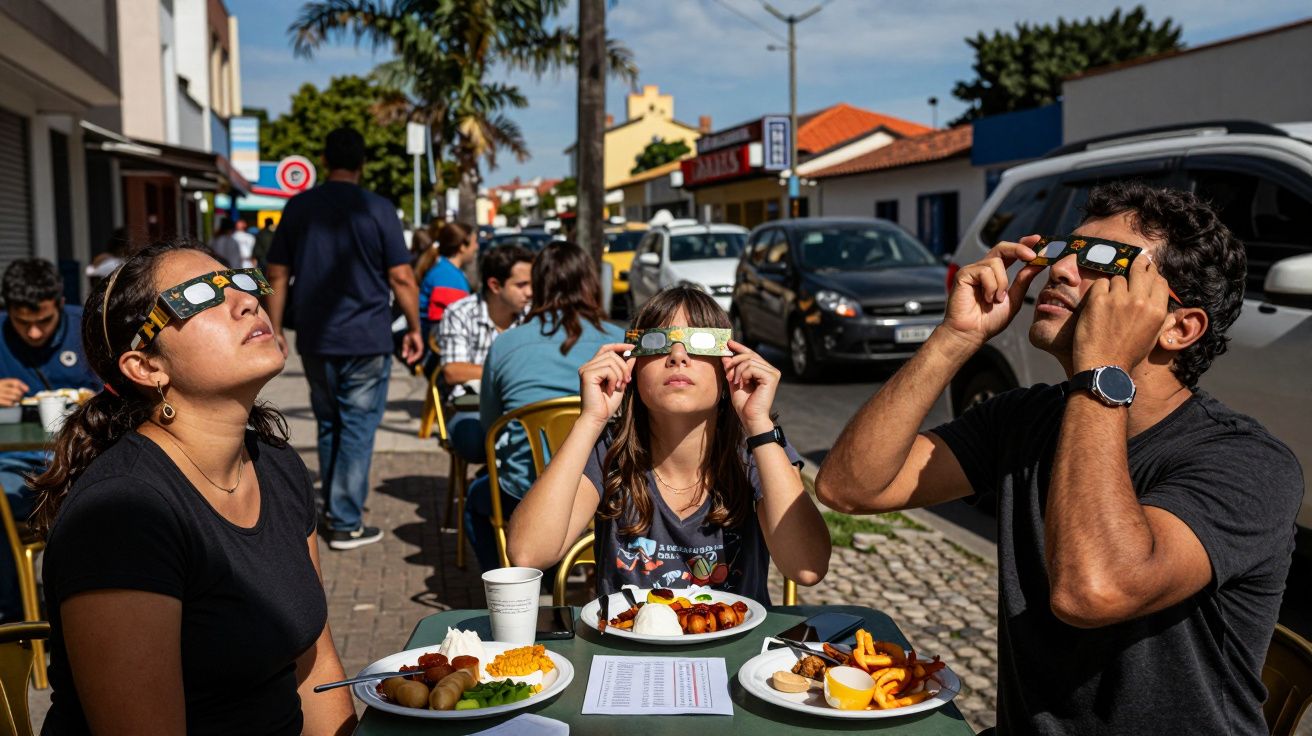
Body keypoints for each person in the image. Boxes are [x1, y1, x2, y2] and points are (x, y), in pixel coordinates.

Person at [815, 182, 1303, 735]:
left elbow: (1092, 590)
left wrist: (1099, 371)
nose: (1062, 272)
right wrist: (955, 337)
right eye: (1064, 251)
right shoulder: (1025, 419)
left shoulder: (1247, 462)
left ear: (1178, 327)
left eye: (1102, 262)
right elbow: (849, 488)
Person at [32, 242, 355, 735]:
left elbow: (316, 671)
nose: (246, 301)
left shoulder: (276, 464)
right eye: (201, 296)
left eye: (241, 281)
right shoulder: (123, 516)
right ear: (146, 367)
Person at [508, 286, 830, 599]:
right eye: (657, 343)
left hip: (736, 650)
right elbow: (527, 553)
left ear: (728, 366)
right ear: (631, 366)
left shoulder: (755, 450)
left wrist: (759, 424)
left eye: (700, 343)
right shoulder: (610, 449)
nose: (678, 355)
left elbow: (807, 568)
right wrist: (590, 420)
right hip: (626, 649)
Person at [265, 126, 422, 551]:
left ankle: (334, 511)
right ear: (362, 163)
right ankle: (347, 521)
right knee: (356, 427)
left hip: (316, 337)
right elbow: (402, 277)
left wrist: (274, 328)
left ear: (326, 159)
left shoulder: (299, 207)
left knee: (330, 422)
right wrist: (414, 327)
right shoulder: (379, 208)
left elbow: (277, 273)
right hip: (367, 337)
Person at [462, 242, 624, 571]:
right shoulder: (620, 342)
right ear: (591, 284)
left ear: (538, 286)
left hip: (525, 490)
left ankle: (513, 590)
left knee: (477, 502)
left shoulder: (506, 344)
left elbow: (490, 426)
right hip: (604, 490)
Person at [0, 259, 100, 623]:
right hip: (15, 465)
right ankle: (14, 622)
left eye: (43, 321)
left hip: (83, 458)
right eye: (23, 323)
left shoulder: (86, 328)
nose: (35, 333)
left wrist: (97, 399)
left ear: (59, 303)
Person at [437, 244, 534, 465]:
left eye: (532, 284)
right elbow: (452, 371)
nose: (530, 292)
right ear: (495, 285)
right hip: (470, 409)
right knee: (478, 442)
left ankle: (501, 488)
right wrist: (507, 373)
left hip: (521, 406)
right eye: (522, 285)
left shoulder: (532, 314)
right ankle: (494, 487)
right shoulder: (460, 313)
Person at [418, 222, 478, 335]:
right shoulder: (447, 277)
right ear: (462, 247)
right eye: (475, 242)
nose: (477, 247)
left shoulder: (446, 271)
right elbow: (451, 324)